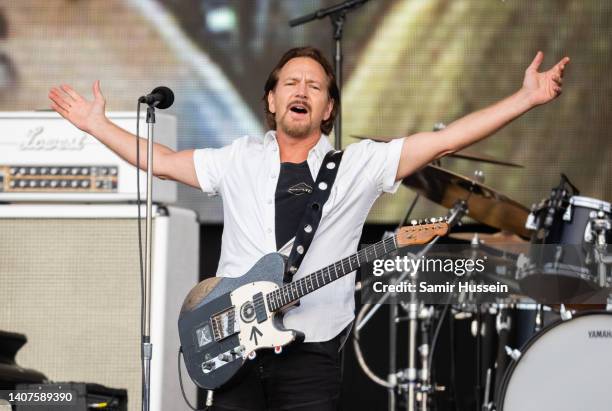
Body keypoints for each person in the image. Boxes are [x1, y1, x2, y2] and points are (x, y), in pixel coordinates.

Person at [48, 46, 569, 410]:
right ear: (272, 100)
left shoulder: (357, 164)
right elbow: (161, 161)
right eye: (290, 83)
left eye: (314, 86)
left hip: (313, 351)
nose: (302, 90)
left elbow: (444, 141)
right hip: (231, 342)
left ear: (328, 109)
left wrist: (524, 98)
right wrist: (97, 125)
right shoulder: (237, 159)